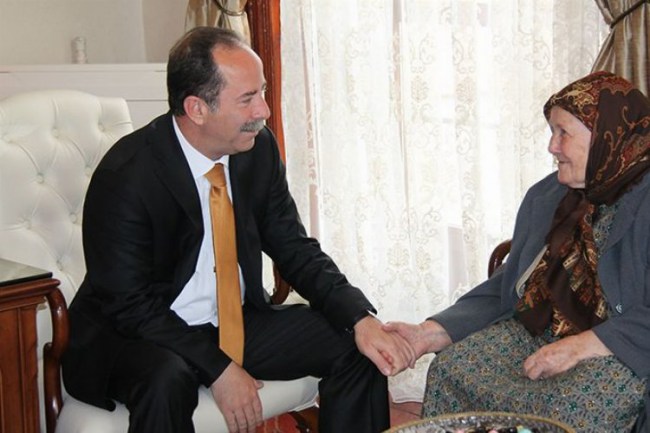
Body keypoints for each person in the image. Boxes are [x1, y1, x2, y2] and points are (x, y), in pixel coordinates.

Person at [61, 26, 414, 433]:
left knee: (356, 346)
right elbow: (129, 306)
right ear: (197, 109)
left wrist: (359, 318)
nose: (264, 110)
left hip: (232, 323)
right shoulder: (127, 176)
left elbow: (294, 247)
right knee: (166, 379)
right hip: (137, 335)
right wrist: (219, 369)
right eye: (248, 99)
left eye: (261, 91)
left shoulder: (257, 150)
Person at [385, 71, 650, 432]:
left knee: (573, 410)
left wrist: (583, 345)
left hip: (621, 345)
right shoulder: (550, 195)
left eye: (563, 133)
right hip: (540, 330)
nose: (552, 147)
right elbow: (509, 284)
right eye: (551, 132)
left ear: (606, 135)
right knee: (452, 369)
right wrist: (428, 333)